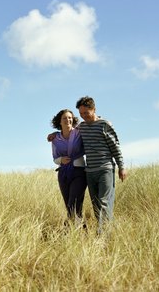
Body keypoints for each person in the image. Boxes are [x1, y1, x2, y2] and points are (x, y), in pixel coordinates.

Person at [48, 96, 127, 234]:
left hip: (105, 169)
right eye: (81, 114)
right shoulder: (82, 128)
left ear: (94, 109)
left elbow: (115, 147)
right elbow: (67, 131)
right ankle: (94, 230)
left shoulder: (104, 124)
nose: (84, 116)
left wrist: (121, 166)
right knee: (96, 203)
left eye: (86, 113)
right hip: (89, 171)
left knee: (103, 202)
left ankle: (102, 234)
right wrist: (54, 134)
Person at [51, 109, 87, 227]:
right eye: (65, 118)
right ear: (59, 122)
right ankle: (82, 231)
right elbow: (55, 158)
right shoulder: (55, 139)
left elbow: (91, 121)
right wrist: (61, 160)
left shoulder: (79, 132)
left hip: (79, 172)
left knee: (73, 203)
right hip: (63, 173)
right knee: (69, 206)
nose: (68, 120)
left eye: (70, 117)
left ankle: (67, 230)